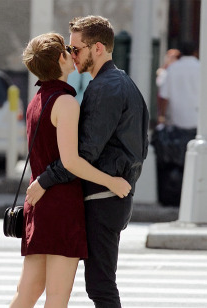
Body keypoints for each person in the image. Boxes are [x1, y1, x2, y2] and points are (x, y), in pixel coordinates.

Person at [26, 16, 149, 308]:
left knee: (100, 285)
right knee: (97, 285)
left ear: (96, 48)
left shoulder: (106, 87)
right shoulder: (112, 83)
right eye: (69, 49)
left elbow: (85, 152)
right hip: (106, 195)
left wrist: (44, 180)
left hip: (104, 198)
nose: (72, 54)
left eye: (76, 48)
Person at [153, 41, 200, 206]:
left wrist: (162, 117)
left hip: (177, 121)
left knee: (176, 162)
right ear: (195, 52)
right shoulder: (201, 67)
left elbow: (163, 96)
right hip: (197, 122)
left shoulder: (173, 69)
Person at [156, 48, 181, 124]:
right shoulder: (164, 71)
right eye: (168, 57)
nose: (169, 59)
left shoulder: (178, 72)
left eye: (172, 57)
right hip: (166, 107)